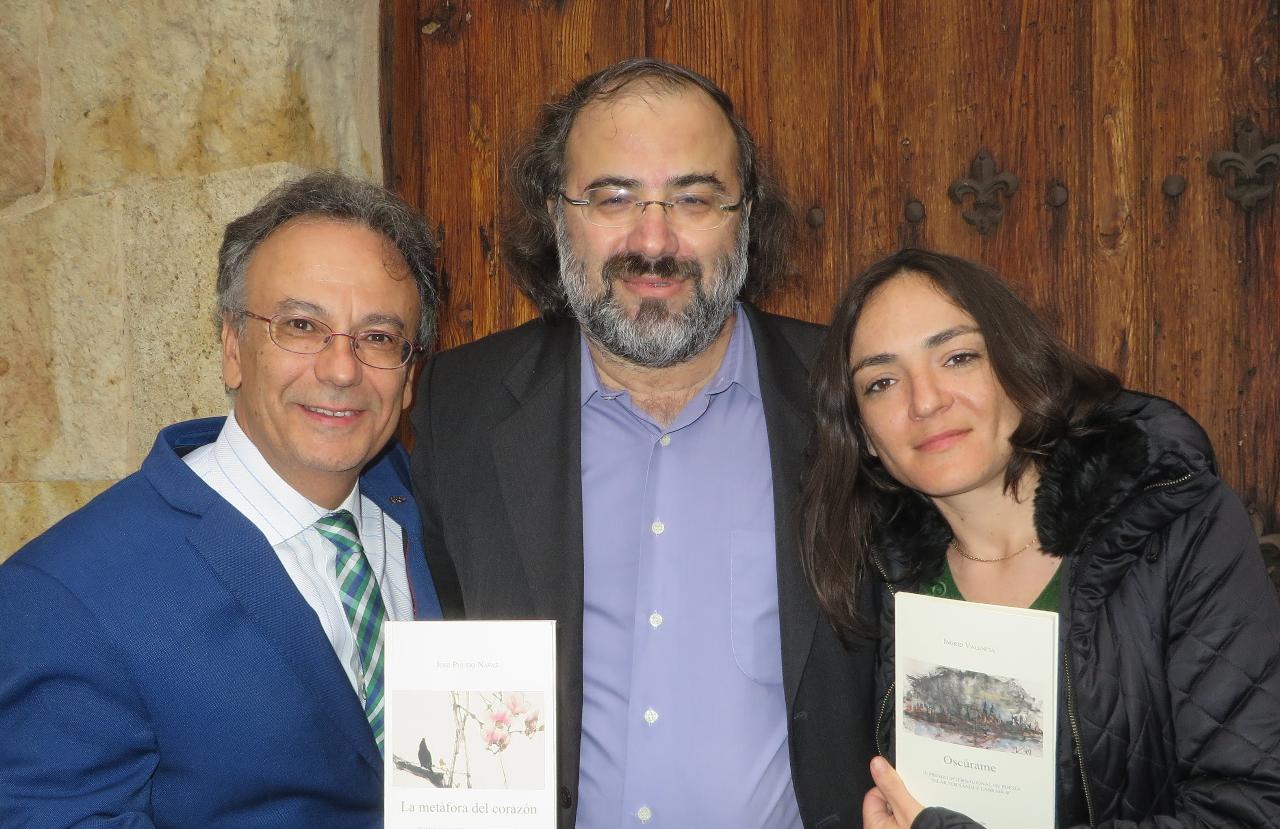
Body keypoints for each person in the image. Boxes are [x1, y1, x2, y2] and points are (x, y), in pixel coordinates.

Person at [411, 58, 876, 827]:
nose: (653, 240)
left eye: (693, 197)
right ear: (559, 216)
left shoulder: (851, 394)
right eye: (612, 196)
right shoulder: (458, 404)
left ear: (747, 217)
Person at [0, 171, 444, 827]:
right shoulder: (66, 594)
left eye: (378, 337)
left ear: (409, 374)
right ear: (233, 346)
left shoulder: (436, 515)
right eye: (301, 325)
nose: (342, 369)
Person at [798, 248, 1280, 827]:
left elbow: (1253, 806)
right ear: (864, 434)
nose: (924, 401)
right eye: (881, 382)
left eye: (957, 357)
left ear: (1018, 368)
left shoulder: (1175, 527)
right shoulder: (869, 576)